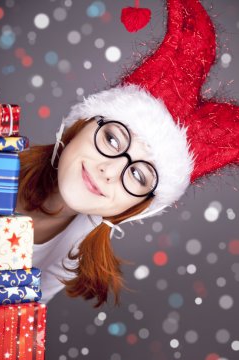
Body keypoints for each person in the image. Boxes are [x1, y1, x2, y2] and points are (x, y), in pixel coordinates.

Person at [15, 0, 239, 307]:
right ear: (79, 126)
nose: (110, 171)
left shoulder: (74, 253)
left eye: (137, 174)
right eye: (112, 139)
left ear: (140, 206)